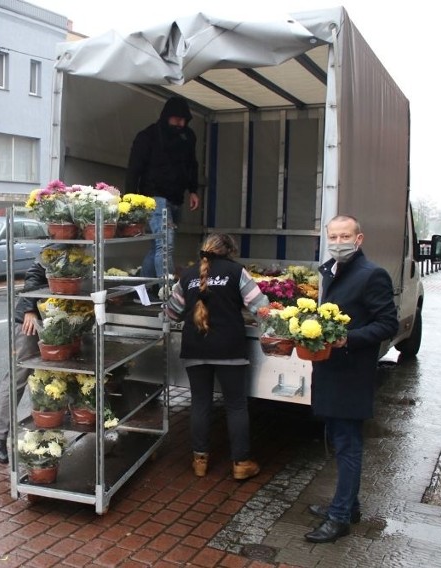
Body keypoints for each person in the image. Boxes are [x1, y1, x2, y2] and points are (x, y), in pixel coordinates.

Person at [305, 215, 398, 544]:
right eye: (333, 235)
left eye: (345, 236)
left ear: (359, 239)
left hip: (350, 373)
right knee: (337, 437)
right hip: (330, 369)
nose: (338, 241)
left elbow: (388, 324)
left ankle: (341, 518)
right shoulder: (331, 270)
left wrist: (349, 339)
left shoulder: (371, 275)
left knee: (347, 444)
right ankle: (349, 506)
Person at [164, 233, 268, 480]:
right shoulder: (236, 272)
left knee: (200, 402)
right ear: (229, 251)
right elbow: (261, 308)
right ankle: (241, 463)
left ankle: (200, 461)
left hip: (195, 348)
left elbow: (171, 313)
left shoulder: (187, 276)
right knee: (235, 405)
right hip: (229, 348)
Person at [125, 95, 200, 282]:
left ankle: (142, 288)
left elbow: (192, 164)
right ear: (167, 116)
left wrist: (193, 190)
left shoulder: (188, 136)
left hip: (176, 197)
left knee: (158, 245)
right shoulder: (148, 136)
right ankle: (167, 293)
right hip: (154, 197)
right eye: (177, 119)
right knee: (165, 245)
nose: (181, 123)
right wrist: (130, 200)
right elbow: (134, 169)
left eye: (184, 120)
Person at [0, 258, 48, 464]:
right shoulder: (61, 239)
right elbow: (35, 272)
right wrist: (30, 308)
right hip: (30, 321)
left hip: (55, 317)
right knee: (18, 377)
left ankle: (44, 435)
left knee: (47, 379)